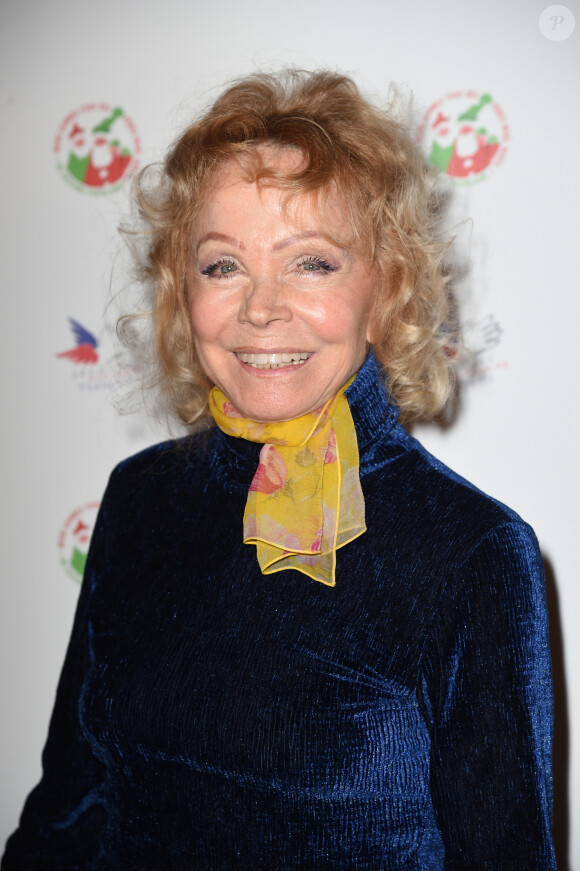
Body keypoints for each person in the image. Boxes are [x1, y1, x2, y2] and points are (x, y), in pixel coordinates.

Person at [2, 70, 556, 869]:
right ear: (179, 290)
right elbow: (68, 811)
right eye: (222, 265)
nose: (261, 308)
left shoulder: (471, 553)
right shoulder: (141, 496)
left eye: (312, 263)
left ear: (386, 285)